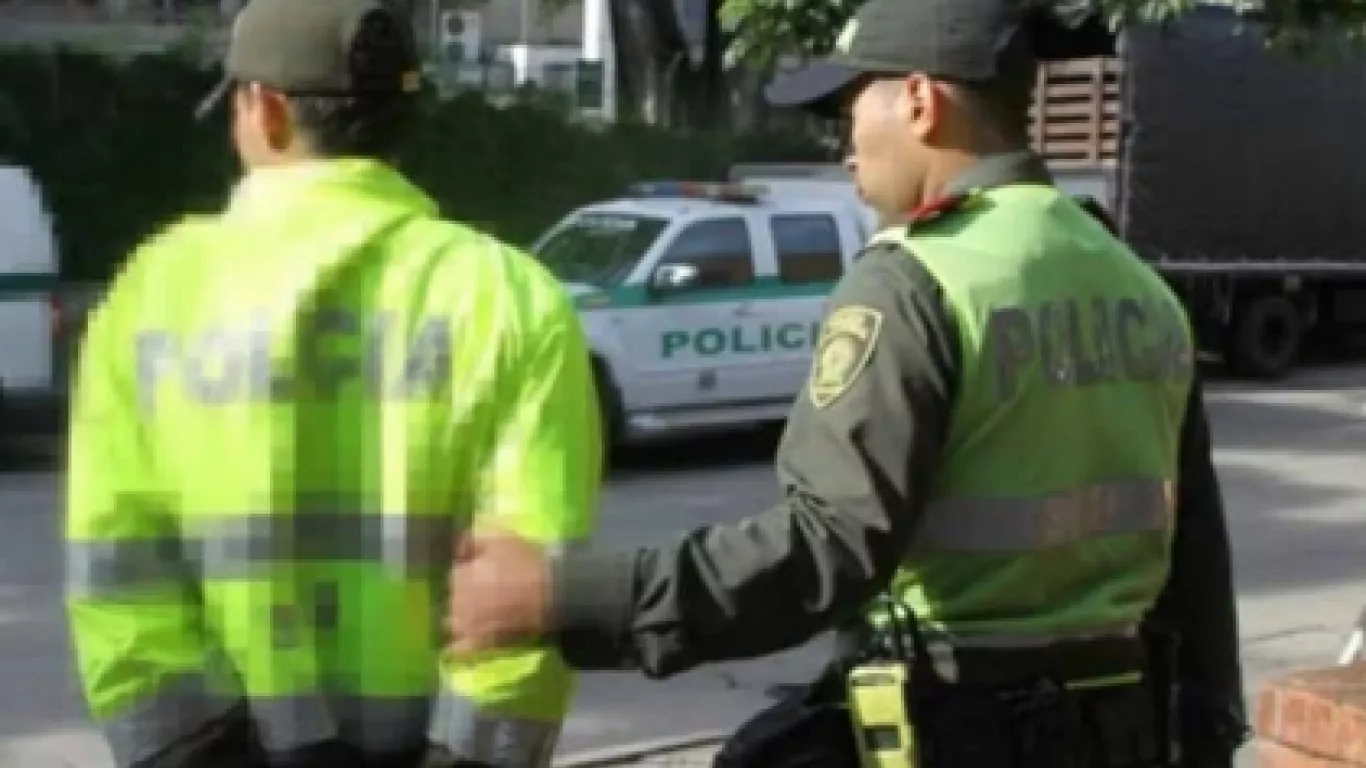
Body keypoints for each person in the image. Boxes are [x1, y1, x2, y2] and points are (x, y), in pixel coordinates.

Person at [443, 0, 1249, 764]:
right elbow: (1196, 563)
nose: (845, 146)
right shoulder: (1134, 282)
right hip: (1123, 727)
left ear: (921, 104)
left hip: (958, 727)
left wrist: (564, 597)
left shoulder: (917, 279)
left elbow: (825, 549)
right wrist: (1210, 733)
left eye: (850, 109)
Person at [62, 0, 602, 766]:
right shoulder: (512, 298)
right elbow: (529, 584)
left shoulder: (153, 291)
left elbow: (119, 577)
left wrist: (194, 750)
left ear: (266, 109)